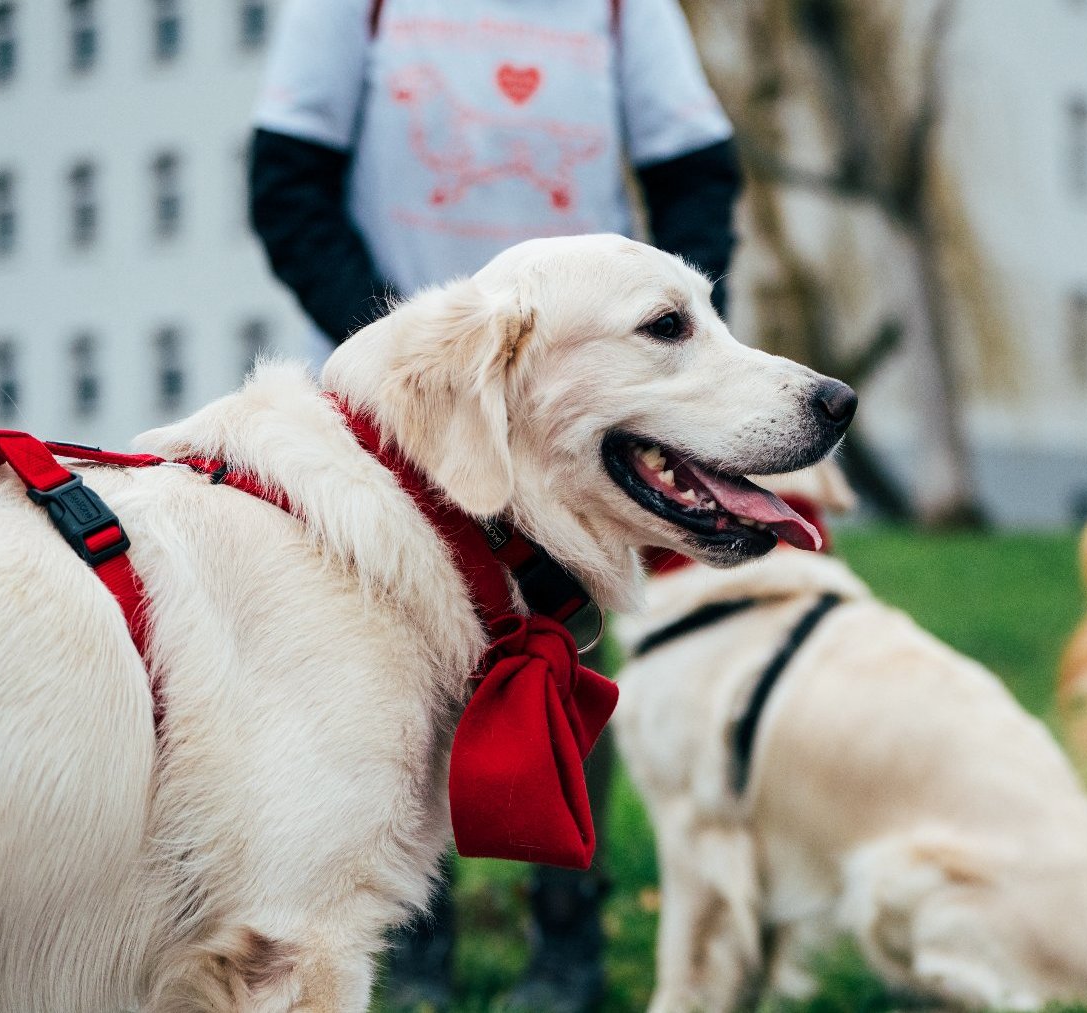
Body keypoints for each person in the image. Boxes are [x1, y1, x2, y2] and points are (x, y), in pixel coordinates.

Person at [247, 1, 742, 1009]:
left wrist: (666, 338)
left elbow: (695, 168)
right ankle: (409, 942)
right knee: (395, 674)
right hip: (422, 393)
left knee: (566, 654)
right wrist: (419, 352)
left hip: (576, 393)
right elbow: (287, 183)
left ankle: (566, 946)